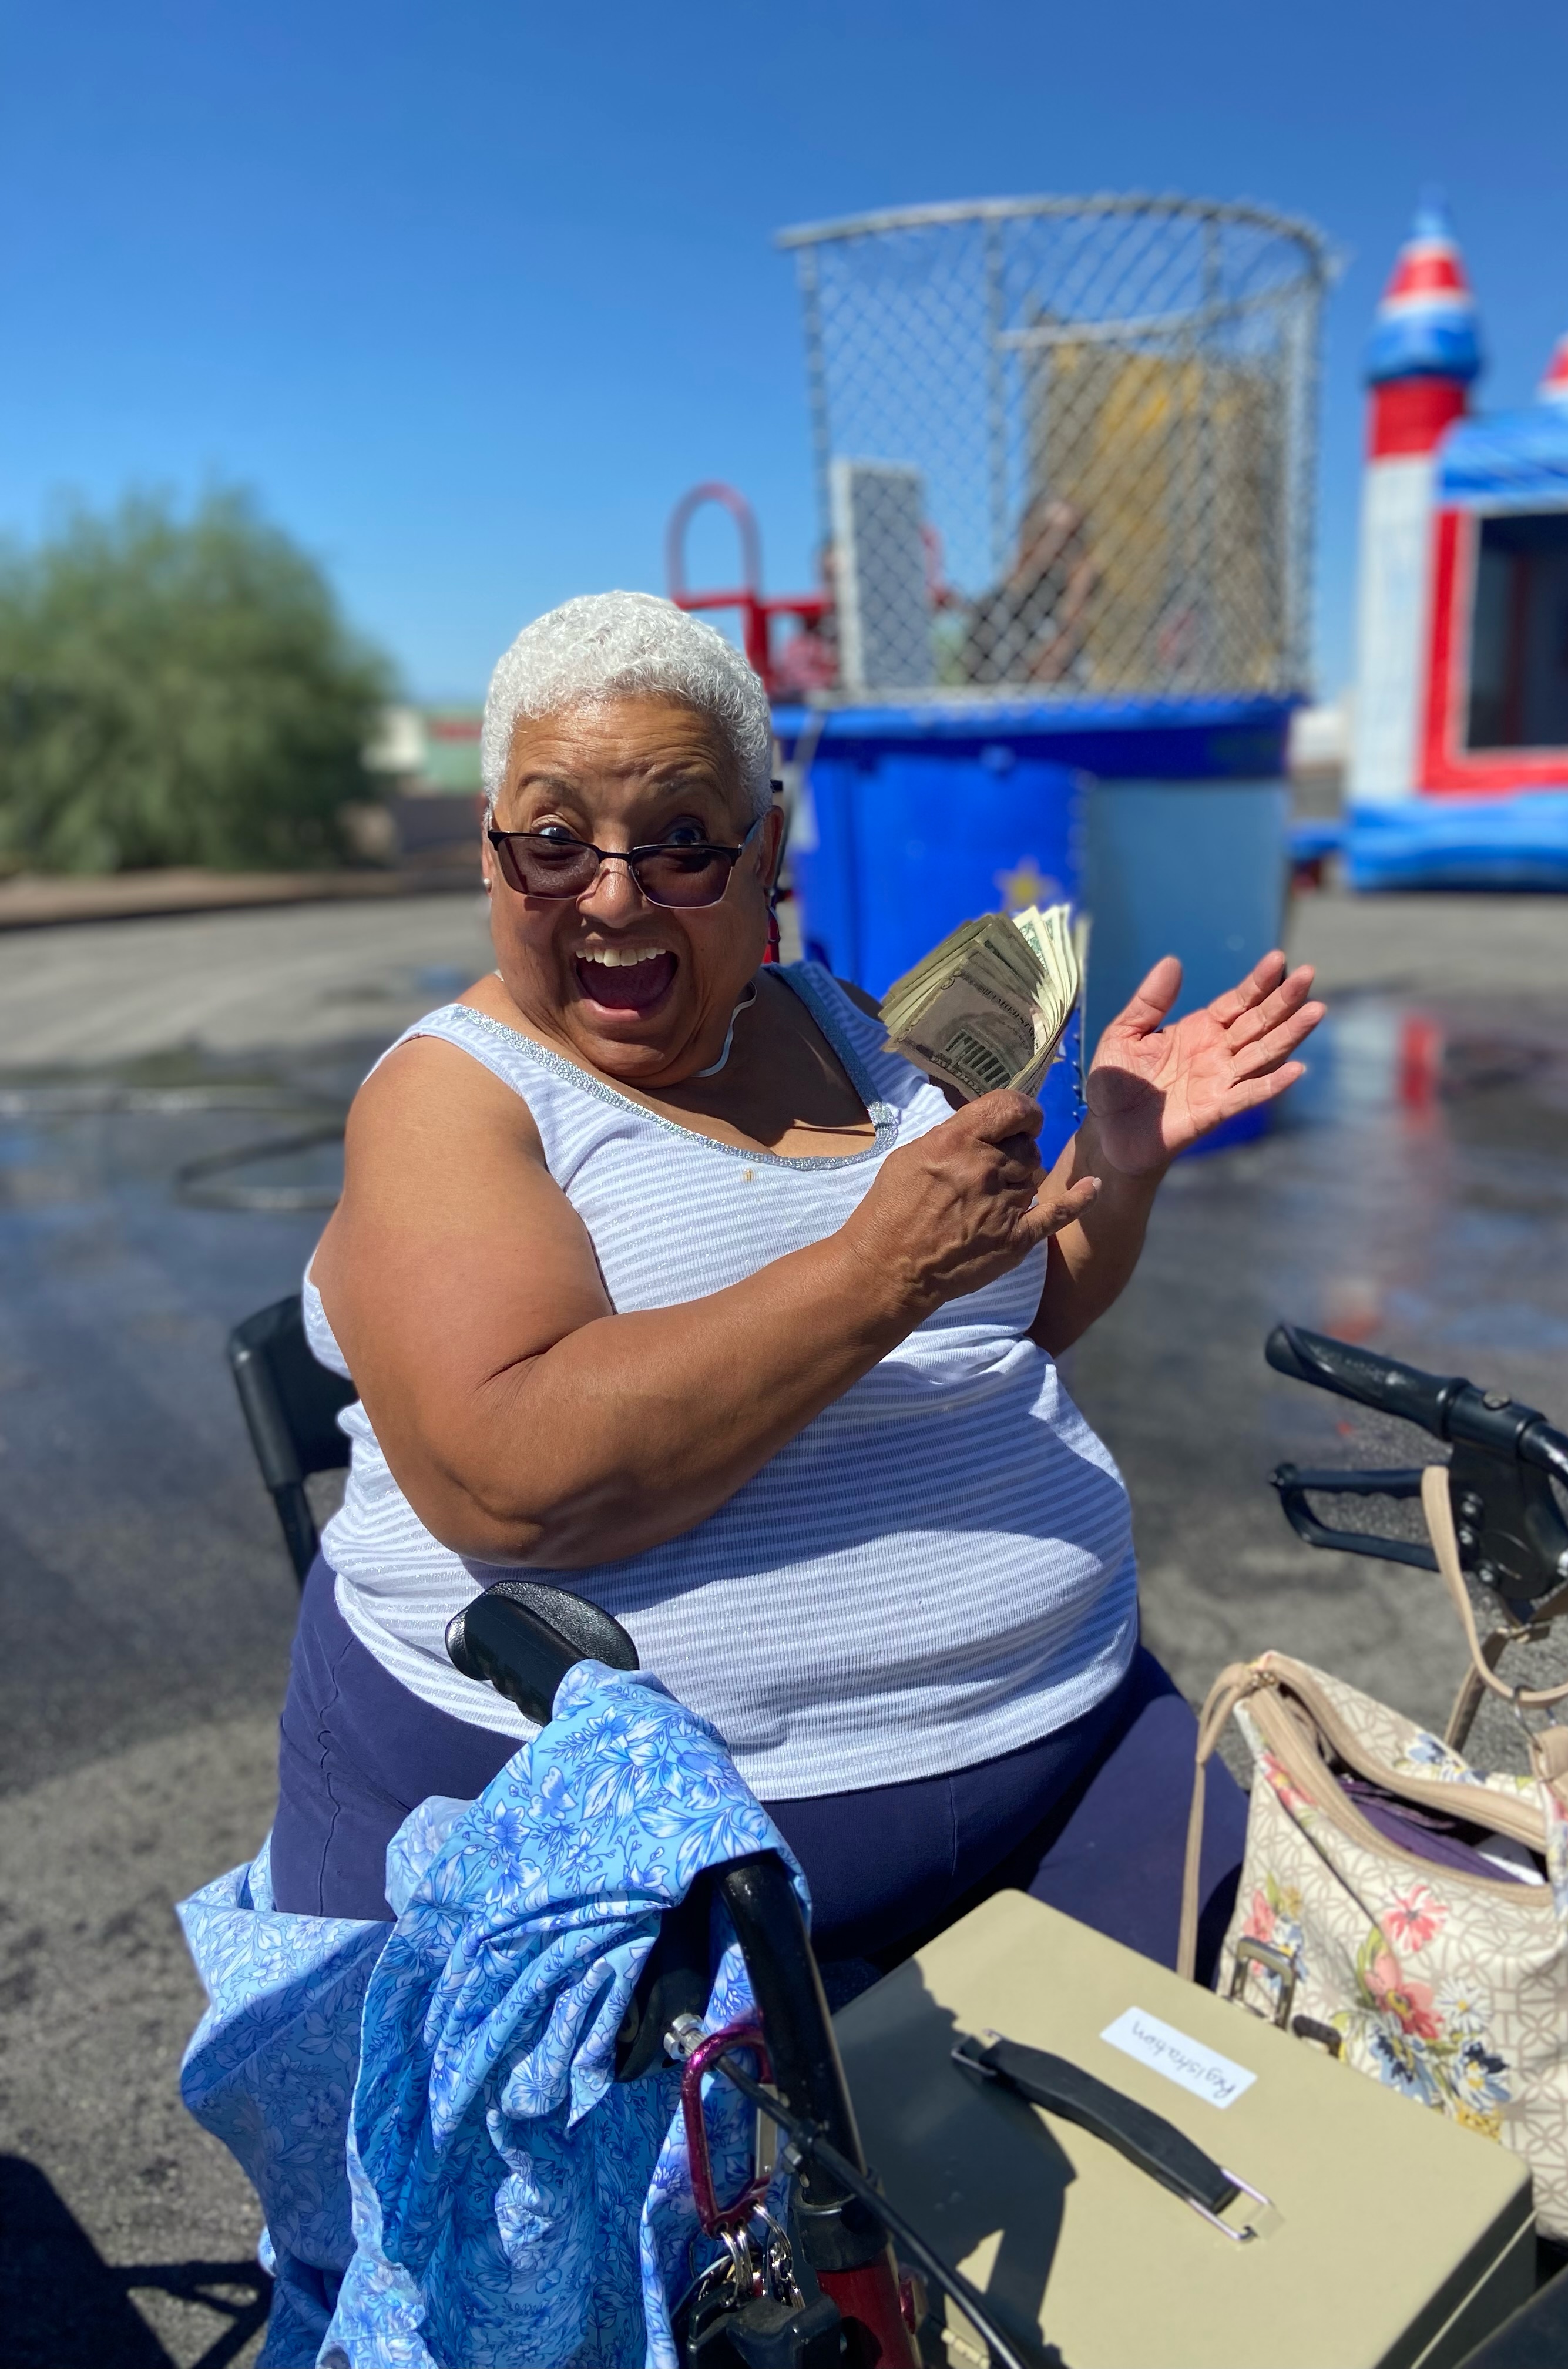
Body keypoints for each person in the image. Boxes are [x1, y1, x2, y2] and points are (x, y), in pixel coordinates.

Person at [271, 590, 1323, 1979]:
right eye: (554, 843)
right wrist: (874, 1268)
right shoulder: (451, 1100)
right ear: (492, 852)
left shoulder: (851, 1027)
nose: (613, 895)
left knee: (1305, 2068)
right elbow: (510, 1480)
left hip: (1069, 1736)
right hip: (655, 1867)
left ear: (766, 850)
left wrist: (1118, 1170)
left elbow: (1009, 1316)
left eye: (682, 843)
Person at [961, 497, 1099, 686]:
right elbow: (1038, 679)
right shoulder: (996, 611)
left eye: (1076, 539)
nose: (1069, 551)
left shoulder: (1078, 600)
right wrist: (1076, 602)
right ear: (1031, 539)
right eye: (1061, 537)